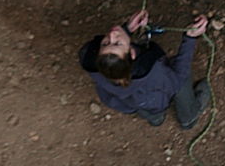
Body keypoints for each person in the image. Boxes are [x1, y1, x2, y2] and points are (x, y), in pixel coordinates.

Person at [79, 9, 211, 130]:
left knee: (145, 108)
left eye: (106, 43)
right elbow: (179, 77)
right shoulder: (156, 72)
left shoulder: (94, 63)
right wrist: (190, 38)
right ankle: (188, 118)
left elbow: (109, 54)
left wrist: (127, 29)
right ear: (132, 54)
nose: (112, 34)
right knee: (180, 77)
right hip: (155, 97)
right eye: (118, 43)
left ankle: (156, 119)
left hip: (132, 102)